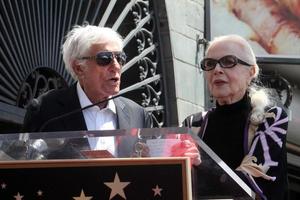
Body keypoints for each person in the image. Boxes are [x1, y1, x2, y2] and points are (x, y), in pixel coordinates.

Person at [182, 35, 289, 200]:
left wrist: (200, 165)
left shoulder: (271, 117)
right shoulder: (194, 123)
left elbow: (252, 180)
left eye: (228, 61)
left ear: (251, 71)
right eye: (210, 64)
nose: (217, 69)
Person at [22, 24, 152, 157]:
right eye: (105, 59)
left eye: (120, 58)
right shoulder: (45, 110)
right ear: (79, 68)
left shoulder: (138, 114)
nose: (116, 66)